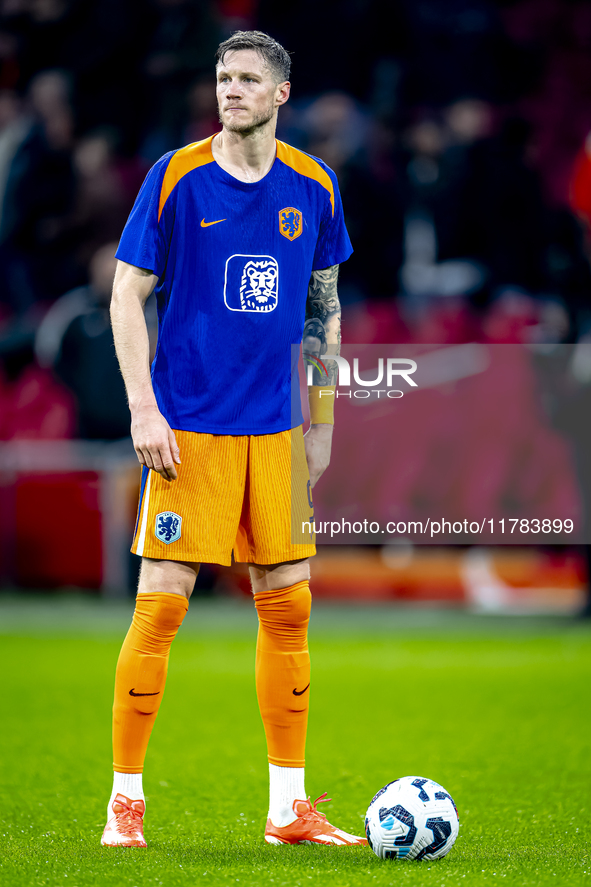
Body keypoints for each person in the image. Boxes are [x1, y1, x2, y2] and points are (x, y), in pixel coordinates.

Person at [101, 30, 366, 849]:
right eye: (223, 78)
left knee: (289, 611)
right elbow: (125, 296)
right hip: (190, 431)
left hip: (279, 432)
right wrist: (144, 411)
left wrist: (322, 421)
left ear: (281, 94)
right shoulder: (175, 176)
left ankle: (286, 808)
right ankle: (124, 804)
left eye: (248, 79)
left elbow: (324, 309)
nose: (231, 90)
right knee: (160, 611)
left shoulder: (314, 184)